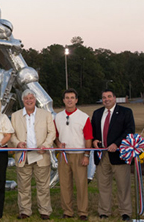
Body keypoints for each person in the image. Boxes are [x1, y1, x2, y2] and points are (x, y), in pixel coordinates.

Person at [10, 89, 56, 220]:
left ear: (35, 100)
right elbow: (11, 134)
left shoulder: (46, 114)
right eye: (26, 98)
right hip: (23, 156)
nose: (29, 100)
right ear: (23, 100)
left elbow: (51, 133)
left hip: (41, 155)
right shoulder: (15, 115)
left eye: (31, 98)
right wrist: (18, 143)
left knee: (43, 185)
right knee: (23, 186)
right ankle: (25, 211)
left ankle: (45, 211)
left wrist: (46, 145)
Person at [92, 90, 135, 221]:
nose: (106, 99)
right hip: (102, 155)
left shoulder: (126, 112)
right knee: (103, 185)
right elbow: (92, 131)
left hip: (119, 155)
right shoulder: (97, 113)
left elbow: (129, 131)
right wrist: (94, 140)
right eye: (104, 97)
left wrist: (117, 144)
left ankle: (125, 212)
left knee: (123, 185)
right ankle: (104, 211)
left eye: (109, 97)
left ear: (115, 98)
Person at [54, 89, 93, 220]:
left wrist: (86, 155)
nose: (69, 100)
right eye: (67, 97)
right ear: (63, 100)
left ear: (76, 100)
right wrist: (58, 143)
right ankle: (67, 211)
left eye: (72, 97)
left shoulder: (83, 117)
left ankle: (83, 212)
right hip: (64, 155)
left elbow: (88, 138)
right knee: (65, 185)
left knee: (81, 184)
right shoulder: (58, 117)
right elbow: (55, 136)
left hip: (79, 155)